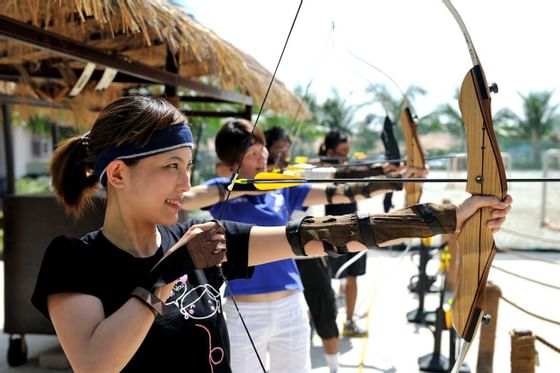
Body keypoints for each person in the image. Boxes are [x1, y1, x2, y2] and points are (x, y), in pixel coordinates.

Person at [31, 96, 512, 373]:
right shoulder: (74, 259)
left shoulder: (207, 237)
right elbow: (96, 365)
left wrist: (451, 215)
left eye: (189, 167)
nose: (185, 183)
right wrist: (167, 272)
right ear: (117, 174)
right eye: (170, 167)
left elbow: (328, 234)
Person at [264, 126, 340, 372]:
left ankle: (334, 367)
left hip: (307, 248)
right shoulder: (259, 181)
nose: (283, 155)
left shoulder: (300, 172)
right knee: (289, 315)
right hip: (277, 251)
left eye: (287, 149)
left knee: (324, 305)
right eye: (277, 150)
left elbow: (336, 174)